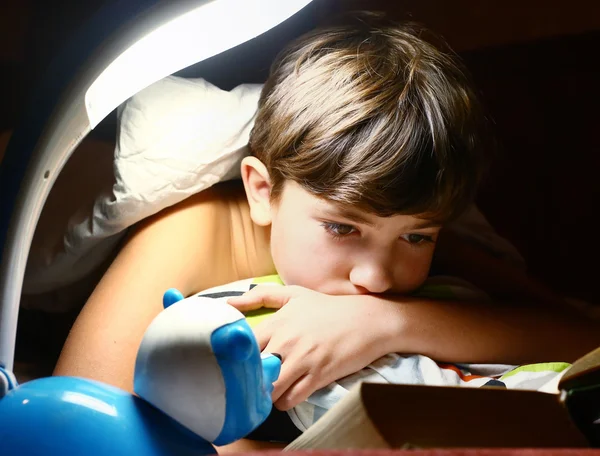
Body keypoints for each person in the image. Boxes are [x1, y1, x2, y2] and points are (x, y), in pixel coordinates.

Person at [53, 13, 600, 452]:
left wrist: (384, 322)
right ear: (262, 191)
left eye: (417, 238)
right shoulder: (192, 232)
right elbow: (76, 417)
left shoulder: (401, 214)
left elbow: (577, 335)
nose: (376, 276)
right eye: (342, 228)